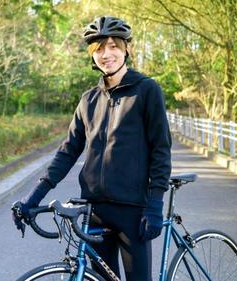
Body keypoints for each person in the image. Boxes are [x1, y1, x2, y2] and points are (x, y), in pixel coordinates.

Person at [12, 16, 172, 281]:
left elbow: (161, 150)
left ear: (126, 49)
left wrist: (155, 203)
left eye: (112, 46)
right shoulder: (88, 99)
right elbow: (67, 151)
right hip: (94, 210)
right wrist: (34, 197)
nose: (105, 54)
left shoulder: (146, 91)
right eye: (99, 48)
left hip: (134, 210)